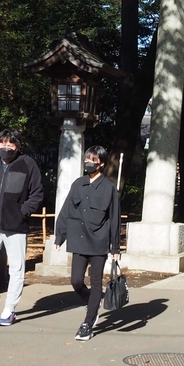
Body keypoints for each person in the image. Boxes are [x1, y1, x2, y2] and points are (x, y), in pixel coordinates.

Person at [0, 128, 44, 327]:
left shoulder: (27, 164)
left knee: (17, 268)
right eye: (2, 144)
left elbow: (36, 193)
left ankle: (9, 309)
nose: (6, 147)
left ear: (18, 146)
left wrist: (22, 212)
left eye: (10, 144)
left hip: (15, 226)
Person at [54, 145, 121, 341]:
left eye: (93, 160)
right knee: (76, 280)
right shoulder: (78, 184)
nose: (88, 163)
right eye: (86, 159)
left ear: (101, 163)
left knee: (96, 282)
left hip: (99, 241)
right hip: (79, 239)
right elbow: (66, 210)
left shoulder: (109, 188)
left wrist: (115, 247)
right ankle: (92, 301)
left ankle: (88, 322)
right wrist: (60, 235)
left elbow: (115, 220)